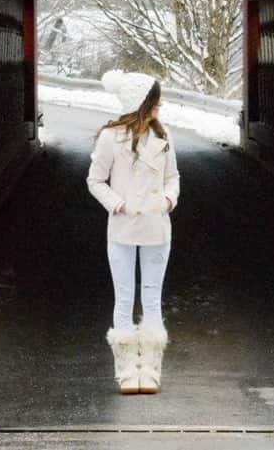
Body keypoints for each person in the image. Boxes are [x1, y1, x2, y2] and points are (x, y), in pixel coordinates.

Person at [87, 70, 180, 394]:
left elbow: (173, 177)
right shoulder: (110, 138)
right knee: (124, 297)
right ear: (142, 102)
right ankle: (127, 370)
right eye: (156, 99)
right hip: (123, 228)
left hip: (157, 227)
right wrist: (118, 204)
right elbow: (95, 180)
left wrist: (169, 199)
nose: (160, 104)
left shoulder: (164, 136)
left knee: (152, 298)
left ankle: (150, 371)